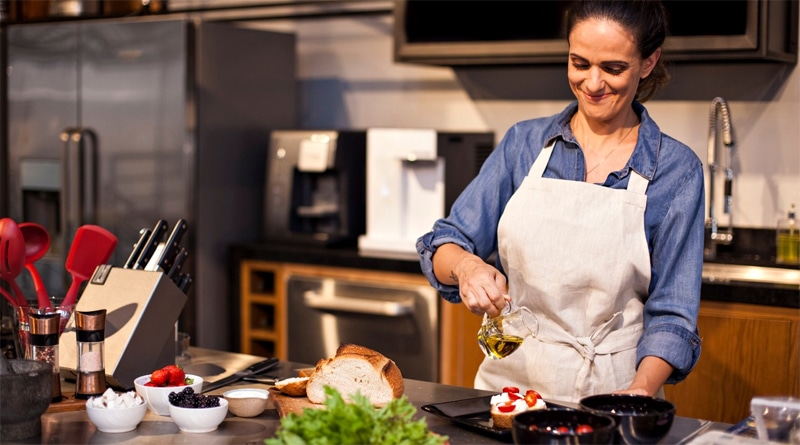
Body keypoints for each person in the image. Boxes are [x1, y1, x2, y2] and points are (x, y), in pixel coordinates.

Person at [416, 0, 703, 403]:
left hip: (611, 399)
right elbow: (443, 242)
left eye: (613, 68)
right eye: (579, 63)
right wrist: (465, 267)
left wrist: (640, 390)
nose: (593, 82)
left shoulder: (676, 170)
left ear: (648, 62)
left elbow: (673, 315)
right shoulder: (524, 145)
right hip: (509, 394)